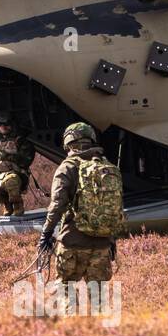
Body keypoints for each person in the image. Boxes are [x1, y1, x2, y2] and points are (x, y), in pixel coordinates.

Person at [38, 122, 124, 313]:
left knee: (65, 286)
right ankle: (100, 334)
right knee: (98, 295)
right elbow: (115, 207)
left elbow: (57, 204)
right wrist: (112, 238)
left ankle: (73, 329)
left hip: (73, 242)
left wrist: (46, 233)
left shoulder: (67, 168)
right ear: (91, 139)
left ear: (68, 143)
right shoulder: (107, 167)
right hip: (102, 243)